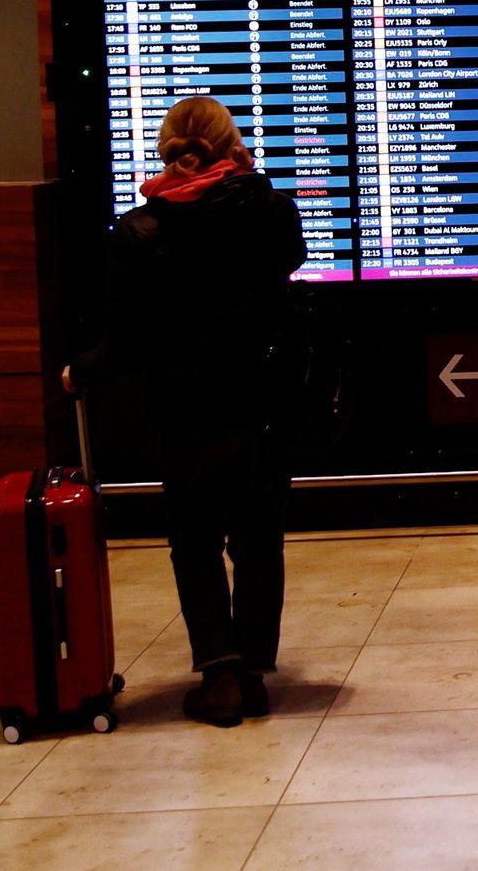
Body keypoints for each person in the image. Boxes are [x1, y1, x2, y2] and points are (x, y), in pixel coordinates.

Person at [64, 97, 305, 728]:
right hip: (262, 402)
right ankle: (253, 674)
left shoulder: (140, 231)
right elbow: (289, 261)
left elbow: (126, 342)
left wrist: (78, 372)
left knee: (194, 542)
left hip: (182, 410)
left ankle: (220, 676)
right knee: (258, 541)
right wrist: (253, 183)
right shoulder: (270, 212)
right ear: (233, 146)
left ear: (168, 148)